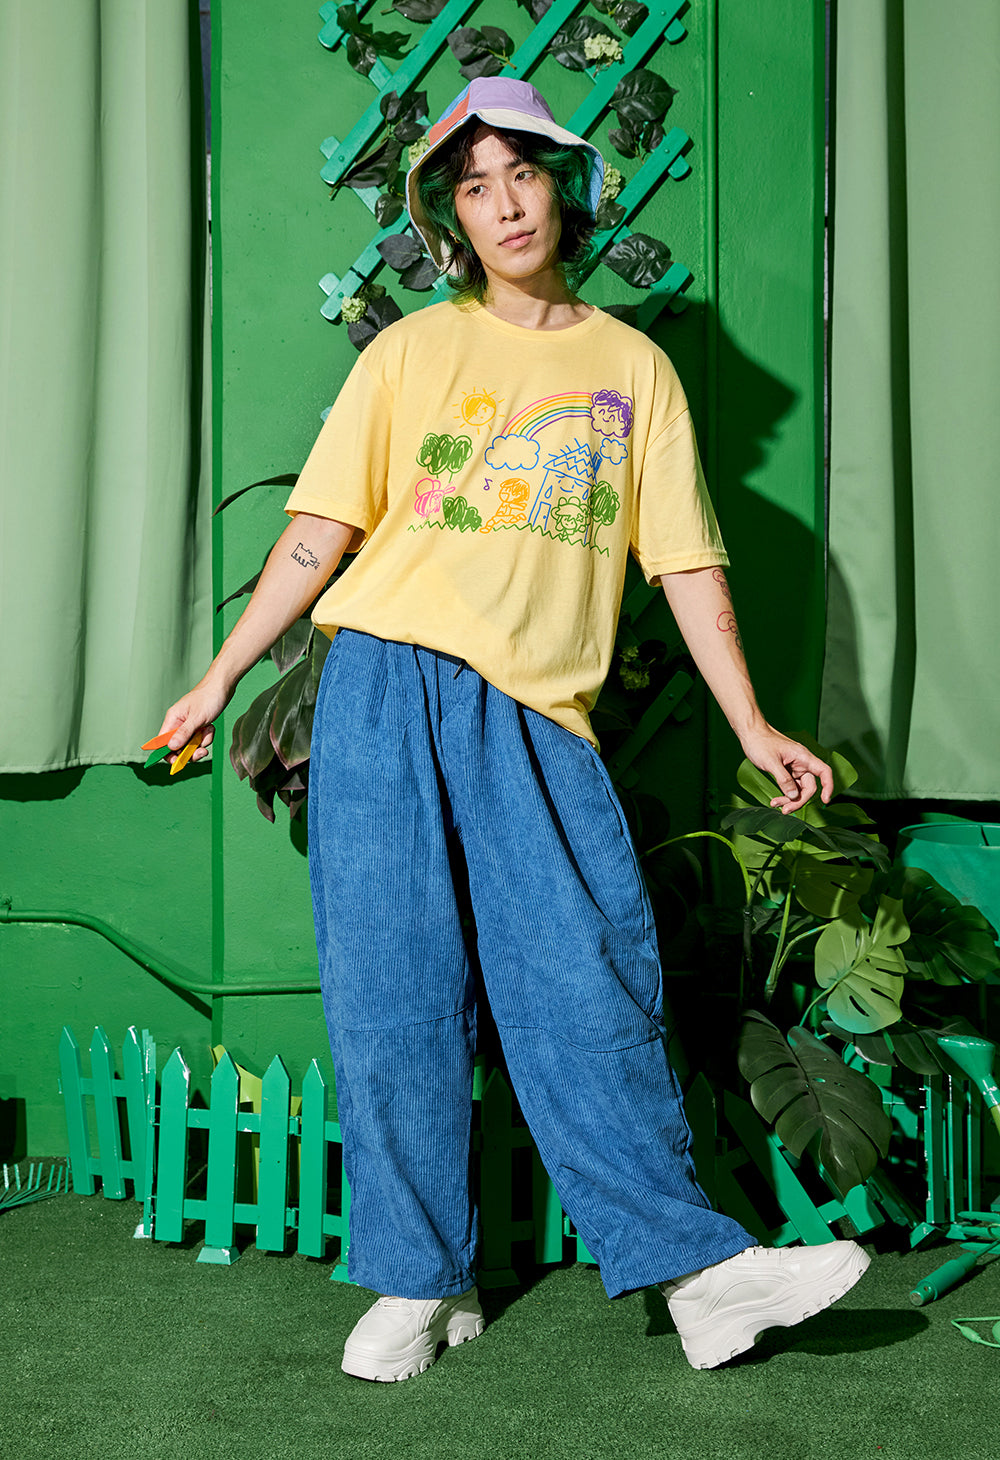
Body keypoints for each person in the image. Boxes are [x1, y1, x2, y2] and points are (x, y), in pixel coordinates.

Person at [157, 79, 869, 1380]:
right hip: (381, 681)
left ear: (563, 188)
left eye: (522, 173)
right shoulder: (406, 356)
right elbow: (320, 530)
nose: (504, 203)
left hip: (538, 712)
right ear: (452, 217)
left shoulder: (633, 369)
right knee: (391, 985)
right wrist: (220, 678)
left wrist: (755, 722)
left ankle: (700, 1278)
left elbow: (687, 563)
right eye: (475, 185)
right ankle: (417, 1281)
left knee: (587, 976)